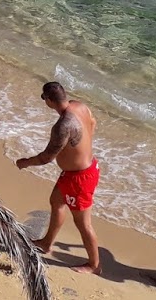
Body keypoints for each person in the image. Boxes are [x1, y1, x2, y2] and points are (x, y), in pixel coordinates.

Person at [16, 81, 101, 274]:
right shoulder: (80, 106)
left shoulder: (63, 125)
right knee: (56, 201)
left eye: (44, 98)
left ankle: (94, 265)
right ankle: (47, 243)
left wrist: (25, 162)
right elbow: (93, 122)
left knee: (83, 223)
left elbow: (46, 157)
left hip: (80, 179)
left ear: (49, 100)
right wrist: (82, 147)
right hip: (84, 168)